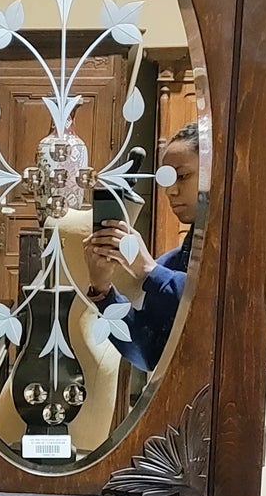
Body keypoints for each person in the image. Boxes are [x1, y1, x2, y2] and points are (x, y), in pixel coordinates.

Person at [82, 120, 200, 372]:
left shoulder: (240, 250)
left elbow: (210, 301)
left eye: (183, 176)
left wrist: (148, 269)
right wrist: (103, 291)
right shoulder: (172, 263)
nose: (171, 191)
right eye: (167, 180)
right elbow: (148, 355)